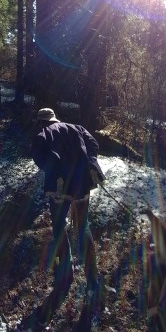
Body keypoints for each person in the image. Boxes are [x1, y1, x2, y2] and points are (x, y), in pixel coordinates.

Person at [30, 107, 105, 312]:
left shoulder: (43, 134)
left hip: (59, 188)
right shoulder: (77, 128)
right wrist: (91, 163)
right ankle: (92, 280)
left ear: (41, 122)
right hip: (82, 184)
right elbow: (93, 144)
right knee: (83, 228)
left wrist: (53, 171)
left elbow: (38, 157)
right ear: (55, 118)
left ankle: (66, 271)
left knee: (58, 227)